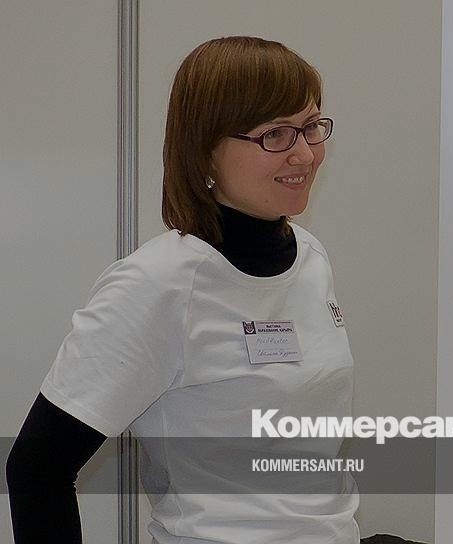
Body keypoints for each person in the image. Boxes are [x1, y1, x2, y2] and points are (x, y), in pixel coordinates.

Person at [6, 36, 360, 543]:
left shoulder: (311, 258)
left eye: (310, 126)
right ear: (206, 151)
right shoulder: (158, 285)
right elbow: (37, 468)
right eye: (275, 134)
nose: (304, 153)